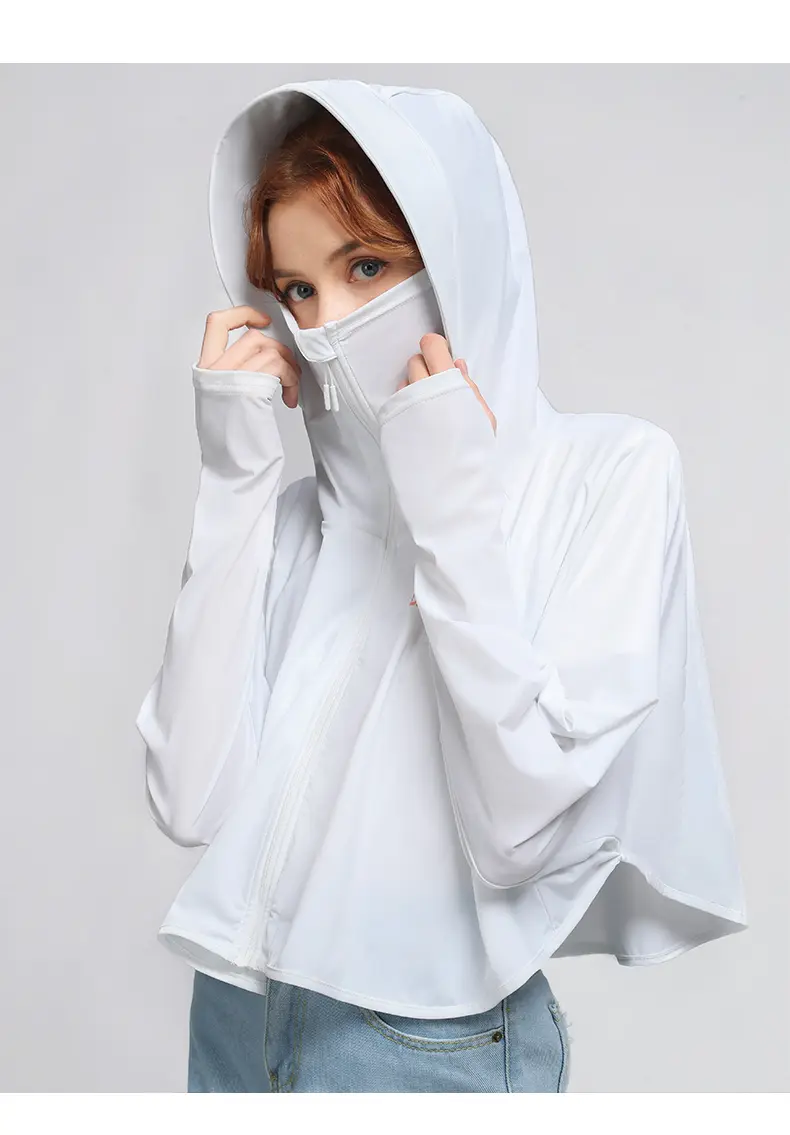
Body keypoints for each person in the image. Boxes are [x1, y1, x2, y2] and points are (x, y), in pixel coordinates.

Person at [135, 79, 749, 1093]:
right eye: (296, 291)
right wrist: (235, 476)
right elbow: (190, 800)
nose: (326, 328)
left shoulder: (608, 475)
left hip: (422, 1040)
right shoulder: (300, 520)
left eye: (366, 267)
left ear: (458, 258)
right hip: (237, 1012)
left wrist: (450, 505)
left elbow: (518, 832)